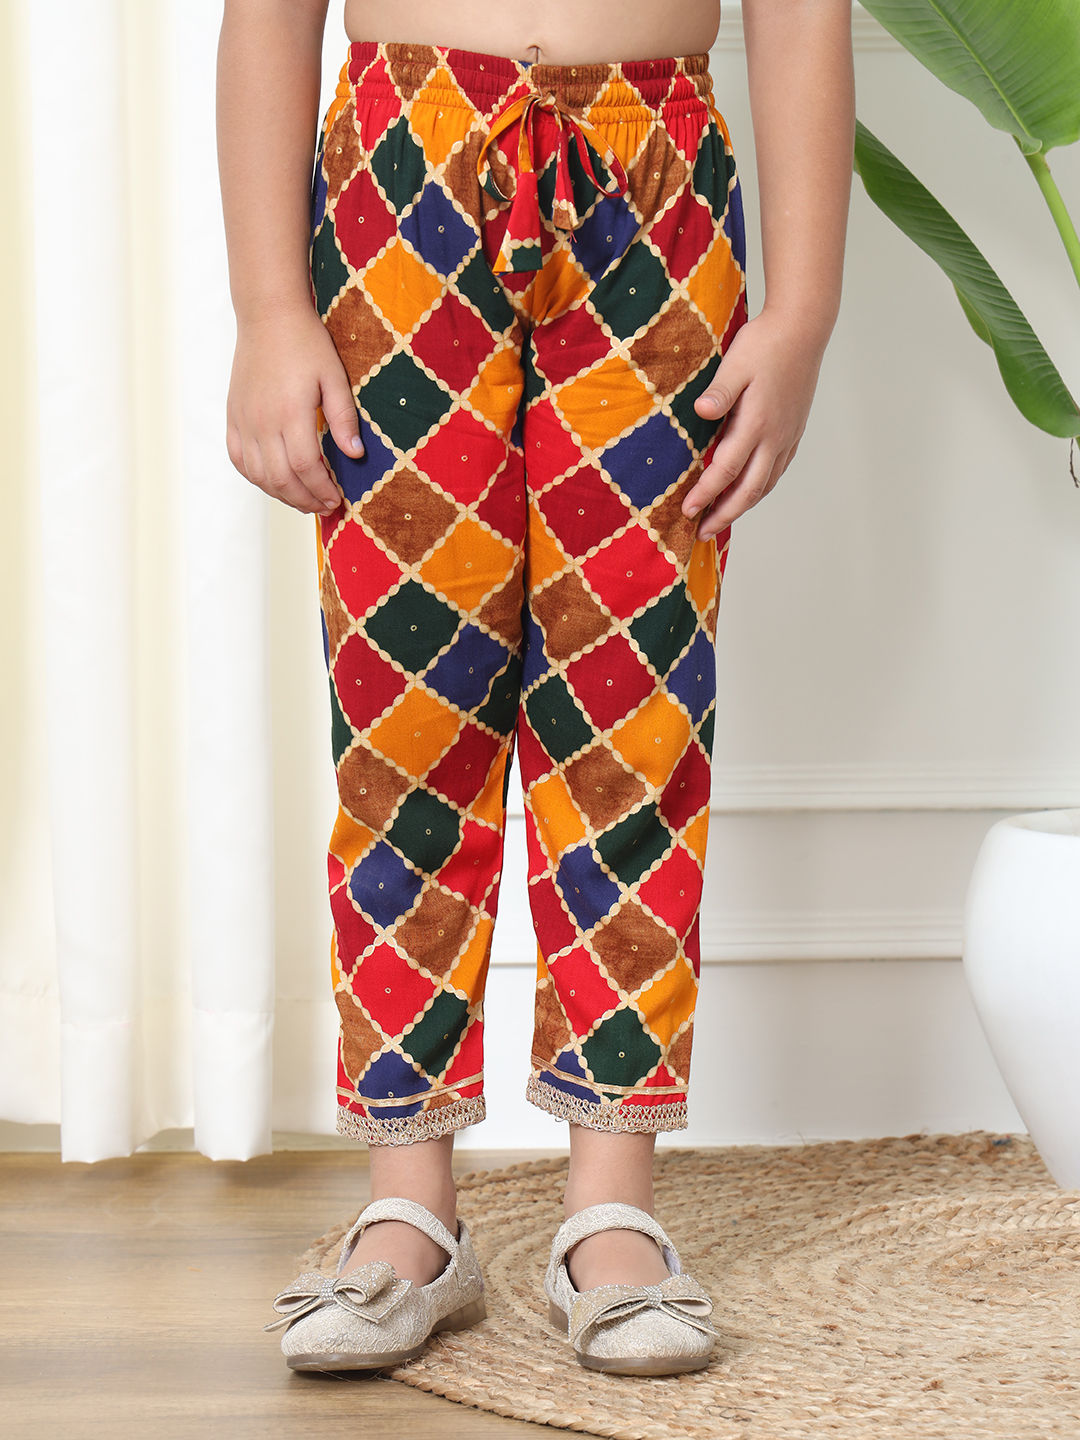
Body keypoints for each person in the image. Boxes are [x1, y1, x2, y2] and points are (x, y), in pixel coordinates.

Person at [219, 0, 854, 1376]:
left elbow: (804, 14)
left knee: (633, 710)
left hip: (657, 195)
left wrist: (802, 311)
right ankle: (409, 1203)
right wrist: (270, 308)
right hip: (401, 190)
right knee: (405, 713)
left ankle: (611, 1209)